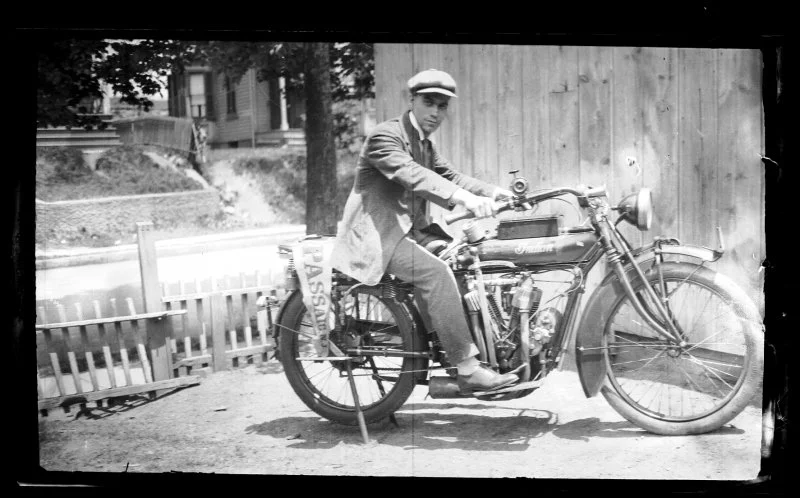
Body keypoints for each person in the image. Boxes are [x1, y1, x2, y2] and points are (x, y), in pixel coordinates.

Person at [331, 69, 518, 393]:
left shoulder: (423, 144)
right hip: (379, 235)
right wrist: (464, 200)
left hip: (410, 231)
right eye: (429, 103)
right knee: (436, 274)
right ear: (412, 101)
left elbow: (451, 176)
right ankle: (467, 367)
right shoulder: (385, 137)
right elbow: (413, 175)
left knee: (464, 261)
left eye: (442, 106)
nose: (435, 112)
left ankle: (453, 346)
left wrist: (493, 192)